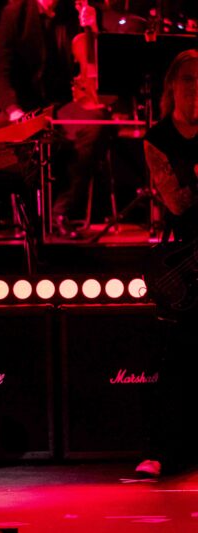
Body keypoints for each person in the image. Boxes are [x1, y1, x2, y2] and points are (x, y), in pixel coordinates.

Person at [0, 0, 110, 239]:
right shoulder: (15, 13)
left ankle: (60, 212)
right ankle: (29, 216)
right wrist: (14, 110)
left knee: (95, 125)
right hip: (22, 106)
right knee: (19, 137)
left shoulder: (75, 11)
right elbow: (0, 72)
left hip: (62, 104)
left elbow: (97, 65)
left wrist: (94, 31)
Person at [135, 49, 198, 479]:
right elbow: (177, 201)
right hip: (187, 255)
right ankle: (162, 450)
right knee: (178, 354)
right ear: (172, 85)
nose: (195, 88)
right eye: (188, 79)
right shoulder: (158, 138)